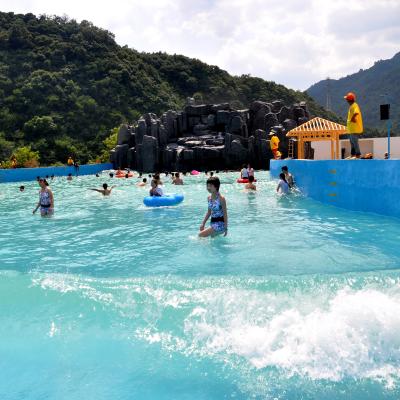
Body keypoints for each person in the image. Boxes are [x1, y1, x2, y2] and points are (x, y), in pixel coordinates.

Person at [344, 92, 363, 158]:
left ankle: (358, 154)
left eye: (347, 99)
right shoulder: (352, 106)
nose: (346, 101)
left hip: (354, 128)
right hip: (351, 129)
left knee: (355, 142)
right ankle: (353, 154)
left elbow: (356, 112)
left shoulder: (355, 105)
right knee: (352, 142)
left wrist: (352, 118)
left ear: (349, 100)